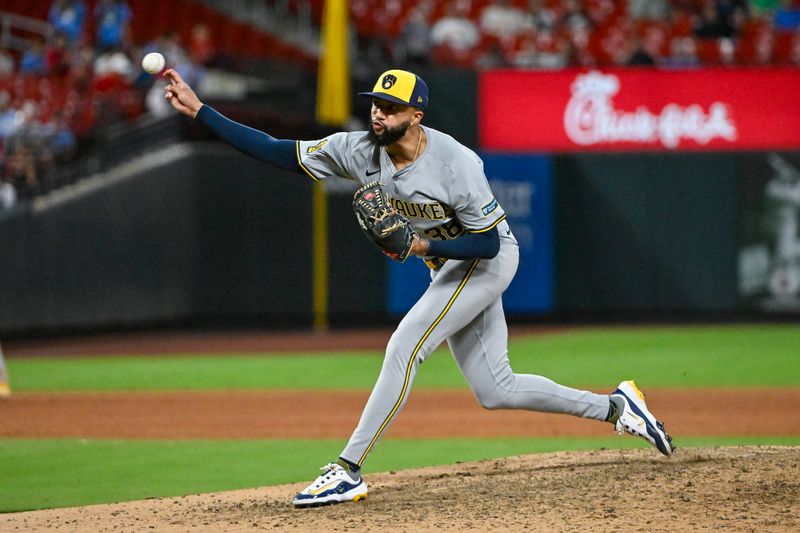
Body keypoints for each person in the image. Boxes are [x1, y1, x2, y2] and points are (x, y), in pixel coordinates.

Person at [163, 67, 675, 508]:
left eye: (390, 107)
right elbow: (277, 152)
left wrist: (422, 249)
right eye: (375, 105)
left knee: (403, 347)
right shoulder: (359, 150)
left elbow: (488, 246)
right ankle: (617, 407)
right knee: (496, 390)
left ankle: (347, 468)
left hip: (486, 260)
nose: (377, 114)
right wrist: (202, 112)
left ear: (417, 115)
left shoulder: (457, 163)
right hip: (449, 267)